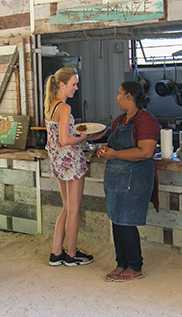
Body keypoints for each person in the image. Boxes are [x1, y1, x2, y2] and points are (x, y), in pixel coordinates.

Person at [97, 81, 160, 282]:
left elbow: (146, 151)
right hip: (116, 177)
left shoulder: (146, 120)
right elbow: (113, 147)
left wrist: (115, 154)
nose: (116, 97)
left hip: (135, 178)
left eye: (119, 93)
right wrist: (105, 151)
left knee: (126, 222)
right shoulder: (120, 120)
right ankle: (121, 263)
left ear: (129, 96)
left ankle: (135, 266)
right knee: (116, 221)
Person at [44, 67, 105, 267]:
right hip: (70, 161)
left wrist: (81, 137)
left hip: (58, 162)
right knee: (74, 209)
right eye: (73, 84)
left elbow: (58, 136)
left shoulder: (50, 105)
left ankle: (56, 253)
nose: (76, 88)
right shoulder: (64, 107)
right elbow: (64, 139)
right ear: (62, 85)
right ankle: (71, 254)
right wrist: (83, 138)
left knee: (66, 207)